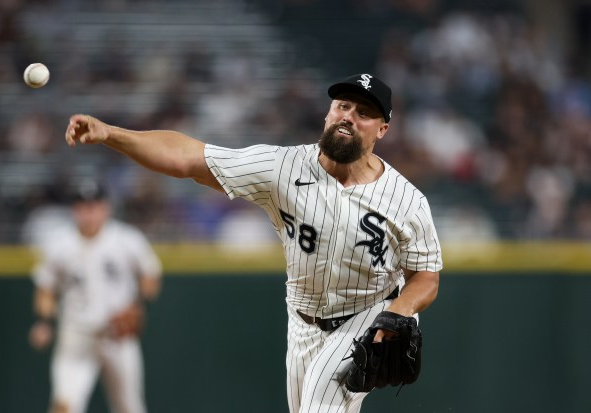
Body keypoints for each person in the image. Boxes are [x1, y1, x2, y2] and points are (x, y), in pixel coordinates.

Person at [64, 73, 442, 413]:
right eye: (342, 105)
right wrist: (111, 133)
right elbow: (187, 158)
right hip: (303, 322)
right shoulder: (283, 168)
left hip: (366, 316)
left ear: (383, 130)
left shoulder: (406, 200)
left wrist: (399, 311)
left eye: (364, 112)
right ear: (328, 113)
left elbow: (426, 275)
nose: (349, 115)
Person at [28, 179, 163, 413]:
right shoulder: (59, 243)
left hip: (117, 335)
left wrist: (139, 306)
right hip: (76, 335)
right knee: (64, 405)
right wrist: (45, 322)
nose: (89, 211)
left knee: (129, 407)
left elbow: (151, 276)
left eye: (94, 204)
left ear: (106, 207)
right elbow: (46, 289)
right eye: (83, 205)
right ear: (74, 209)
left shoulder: (127, 238)